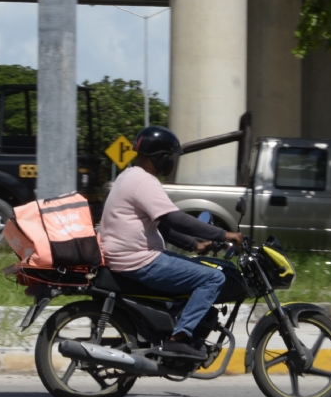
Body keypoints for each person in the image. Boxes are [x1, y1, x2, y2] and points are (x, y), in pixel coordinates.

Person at [98, 125, 242, 359]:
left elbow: (162, 225)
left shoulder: (128, 175)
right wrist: (223, 234)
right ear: (160, 157)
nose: (173, 162)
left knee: (196, 268)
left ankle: (173, 326)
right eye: (171, 157)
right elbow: (174, 218)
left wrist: (194, 246)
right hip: (138, 260)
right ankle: (180, 338)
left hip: (130, 256)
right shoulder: (144, 181)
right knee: (213, 277)